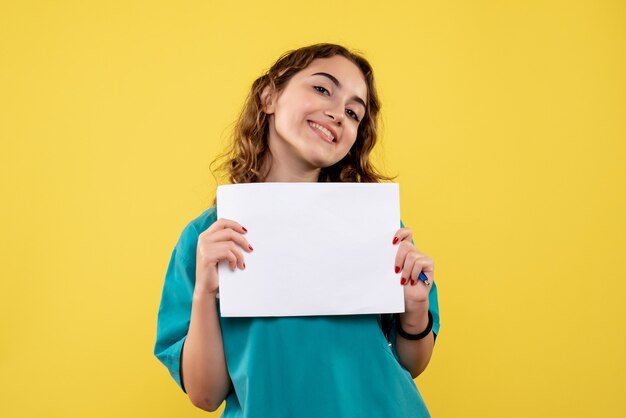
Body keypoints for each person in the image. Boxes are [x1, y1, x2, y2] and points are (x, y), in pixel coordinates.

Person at [154, 43, 441, 417]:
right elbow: (206, 395)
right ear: (268, 96)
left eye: (354, 112)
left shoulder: (377, 225)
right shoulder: (208, 238)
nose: (339, 114)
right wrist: (205, 295)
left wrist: (416, 305)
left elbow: (412, 364)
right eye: (323, 89)